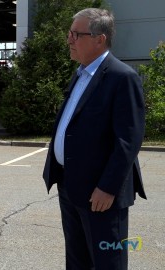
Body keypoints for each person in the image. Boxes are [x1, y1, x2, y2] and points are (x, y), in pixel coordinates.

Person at [42, 8, 146, 270]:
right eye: (70, 33)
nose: (69, 40)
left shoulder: (122, 78)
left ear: (100, 39)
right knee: (77, 262)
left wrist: (108, 187)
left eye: (76, 34)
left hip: (101, 196)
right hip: (71, 187)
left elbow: (128, 139)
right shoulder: (80, 73)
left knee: (107, 262)